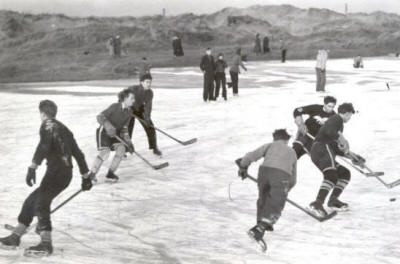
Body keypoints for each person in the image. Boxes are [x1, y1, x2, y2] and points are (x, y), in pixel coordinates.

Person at [0, 100, 92, 256]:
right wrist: (85, 176)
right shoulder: (64, 128)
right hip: (64, 174)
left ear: (42, 113)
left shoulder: (47, 125)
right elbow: (78, 153)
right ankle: (15, 236)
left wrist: (33, 167)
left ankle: (46, 244)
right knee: (31, 201)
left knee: (42, 203)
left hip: (56, 173)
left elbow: (43, 146)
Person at [237, 129, 297, 251]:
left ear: (274, 138)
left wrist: (243, 167)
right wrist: (285, 191)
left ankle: (259, 228)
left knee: (263, 199)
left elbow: (250, 156)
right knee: (276, 203)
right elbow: (293, 179)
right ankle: (260, 228)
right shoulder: (292, 152)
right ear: (287, 139)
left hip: (264, 173)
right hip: (282, 176)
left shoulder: (269, 146)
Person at [309, 103, 362, 217]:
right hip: (322, 148)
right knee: (331, 176)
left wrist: (352, 156)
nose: (349, 118)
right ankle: (317, 203)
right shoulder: (336, 119)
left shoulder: (336, 123)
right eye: (350, 116)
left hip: (323, 150)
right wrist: (343, 140)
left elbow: (335, 146)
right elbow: (331, 135)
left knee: (344, 173)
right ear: (347, 113)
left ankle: (333, 200)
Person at [88, 88, 135, 182]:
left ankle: (110, 173)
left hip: (116, 134)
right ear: (125, 99)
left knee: (122, 149)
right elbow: (100, 116)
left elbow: (125, 129)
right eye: (132, 98)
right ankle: (92, 174)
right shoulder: (114, 107)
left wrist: (129, 143)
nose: (134, 100)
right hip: (104, 132)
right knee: (105, 152)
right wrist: (108, 125)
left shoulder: (129, 112)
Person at [127, 74, 162, 156]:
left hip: (139, 109)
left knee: (150, 127)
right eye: (147, 82)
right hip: (129, 109)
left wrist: (147, 118)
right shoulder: (133, 89)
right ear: (141, 82)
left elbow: (148, 107)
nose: (149, 84)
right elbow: (122, 99)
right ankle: (124, 150)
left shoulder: (150, 92)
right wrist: (127, 110)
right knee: (127, 130)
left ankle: (154, 147)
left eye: (150, 82)